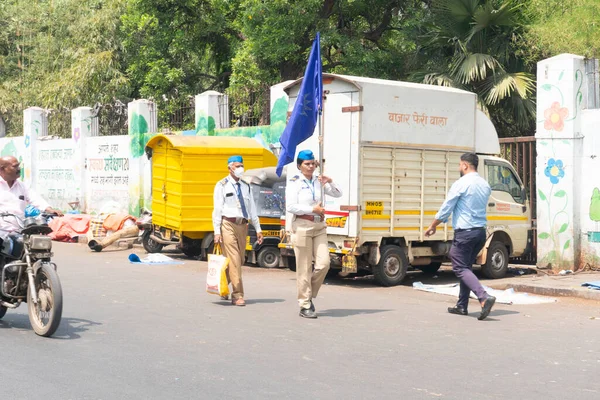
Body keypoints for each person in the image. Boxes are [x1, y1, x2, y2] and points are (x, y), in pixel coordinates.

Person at [425, 152, 496, 320]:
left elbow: (447, 206)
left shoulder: (461, 184)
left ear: (465, 165)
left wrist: (433, 225)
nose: (459, 168)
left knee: (458, 267)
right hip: (479, 233)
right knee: (465, 267)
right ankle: (461, 305)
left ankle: (483, 297)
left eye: (459, 165)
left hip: (465, 232)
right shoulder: (485, 185)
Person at [286, 150, 342, 319]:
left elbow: (338, 193)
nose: (310, 167)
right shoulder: (295, 182)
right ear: (299, 166)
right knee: (304, 267)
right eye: (307, 164)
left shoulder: (318, 181)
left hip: (318, 225)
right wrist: (312, 209)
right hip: (302, 225)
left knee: (324, 264)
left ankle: (307, 294)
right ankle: (304, 304)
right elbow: (291, 206)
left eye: (312, 163)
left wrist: (330, 181)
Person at [212, 155, 263, 306]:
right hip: (227, 224)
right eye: (237, 166)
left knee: (239, 260)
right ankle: (237, 294)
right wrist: (216, 231)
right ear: (229, 168)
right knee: (234, 259)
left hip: (243, 225)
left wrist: (258, 228)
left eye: (242, 165)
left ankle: (223, 285)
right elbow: (217, 209)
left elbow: (252, 208)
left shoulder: (246, 186)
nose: (240, 168)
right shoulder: (221, 185)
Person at [0, 156, 63, 233]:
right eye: (15, 166)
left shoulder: (22, 186)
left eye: (18, 166)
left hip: (19, 230)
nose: (19, 169)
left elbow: (35, 198)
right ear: (2, 169)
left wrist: (49, 209)